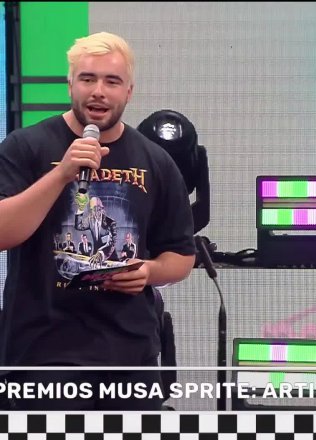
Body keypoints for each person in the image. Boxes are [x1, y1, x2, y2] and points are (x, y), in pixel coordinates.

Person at [0, 31, 196, 410]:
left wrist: (149, 272)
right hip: (42, 356)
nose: (99, 92)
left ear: (129, 92)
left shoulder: (155, 161)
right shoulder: (25, 148)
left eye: (112, 81)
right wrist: (61, 174)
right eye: (88, 79)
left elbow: (180, 255)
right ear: (70, 85)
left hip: (130, 358)